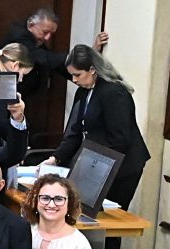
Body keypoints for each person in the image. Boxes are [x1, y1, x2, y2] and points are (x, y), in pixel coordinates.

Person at [49, 44, 151, 208]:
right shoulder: (83, 91)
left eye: (77, 75)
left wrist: (95, 169)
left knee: (109, 217)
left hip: (122, 166)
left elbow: (119, 139)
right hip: (98, 161)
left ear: (92, 69)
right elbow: (76, 131)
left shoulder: (114, 92)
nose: (74, 80)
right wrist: (55, 158)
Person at [0, 8, 109, 99]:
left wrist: (90, 56)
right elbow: (43, 58)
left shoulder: (35, 40)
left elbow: (56, 64)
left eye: (51, 34)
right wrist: (77, 59)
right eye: (45, 32)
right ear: (31, 24)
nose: (47, 38)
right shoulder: (19, 37)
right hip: (1, 91)